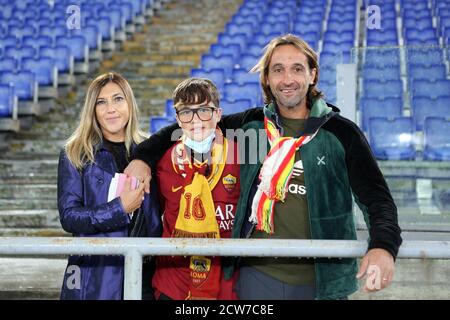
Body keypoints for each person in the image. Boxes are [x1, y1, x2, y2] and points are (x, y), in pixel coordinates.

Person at [125, 34, 402, 300]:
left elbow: (377, 199)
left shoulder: (341, 133)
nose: (287, 79)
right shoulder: (252, 126)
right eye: (278, 70)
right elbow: (192, 124)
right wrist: (142, 158)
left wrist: (383, 246)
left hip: (323, 282)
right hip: (255, 277)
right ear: (267, 79)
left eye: (297, 68)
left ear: (312, 74)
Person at [57, 72, 162, 300]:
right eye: (101, 102)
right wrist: (119, 208)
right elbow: (69, 217)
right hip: (97, 275)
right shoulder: (75, 153)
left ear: (129, 103)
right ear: (92, 110)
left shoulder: (149, 150)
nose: (110, 109)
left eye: (118, 99)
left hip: (147, 273)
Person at [151, 78, 242, 300]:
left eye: (204, 110)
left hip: (226, 281)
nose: (195, 120)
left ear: (218, 114)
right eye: (186, 112)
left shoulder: (242, 157)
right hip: (174, 281)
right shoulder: (163, 162)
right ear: (177, 120)